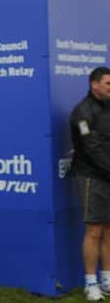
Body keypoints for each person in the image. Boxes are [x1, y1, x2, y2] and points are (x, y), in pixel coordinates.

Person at [69, 66, 110, 301]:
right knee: (94, 230)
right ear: (94, 85)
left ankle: (107, 279)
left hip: (108, 177)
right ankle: (90, 283)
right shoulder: (82, 113)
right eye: (108, 84)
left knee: (109, 230)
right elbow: (92, 149)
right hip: (91, 177)